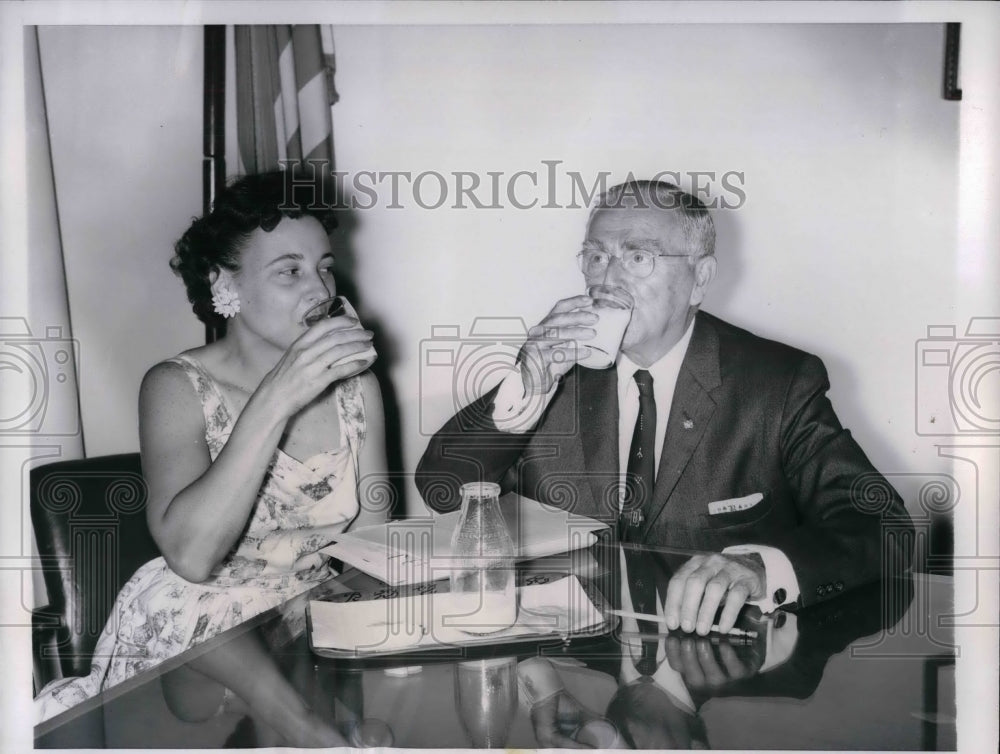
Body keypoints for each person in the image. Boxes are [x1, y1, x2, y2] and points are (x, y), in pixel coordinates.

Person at [417, 178, 913, 635]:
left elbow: (881, 525)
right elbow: (442, 490)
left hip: (721, 673)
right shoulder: (551, 379)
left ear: (700, 279)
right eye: (595, 257)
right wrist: (524, 386)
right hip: (581, 673)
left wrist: (761, 569)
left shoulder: (777, 383)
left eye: (637, 258)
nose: (606, 280)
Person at [34, 172, 387, 741]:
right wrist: (278, 397)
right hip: (193, 642)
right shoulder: (175, 386)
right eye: (290, 271)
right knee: (198, 610)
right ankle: (308, 734)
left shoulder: (356, 390)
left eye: (324, 267)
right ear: (225, 285)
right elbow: (192, 559)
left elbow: (378, 548)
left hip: (304, 619)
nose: (320, 291)